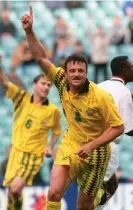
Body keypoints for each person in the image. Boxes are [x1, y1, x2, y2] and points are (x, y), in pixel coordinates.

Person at [21, 6, 124, 210]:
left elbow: (118, 127)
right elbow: (41, 58)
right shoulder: (60, 80)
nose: (76, 74)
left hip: (97, 152)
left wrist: (91, 145)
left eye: (80, 70)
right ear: (65, 73)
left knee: (82, 207)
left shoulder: (100, 97)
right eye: (72, 71)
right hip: (71, 145)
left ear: (86, 72)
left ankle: (102, 194)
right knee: (53, 193)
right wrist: (29, 31)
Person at [0, 55, 61, 210]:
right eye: (43, 84)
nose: (46, 87)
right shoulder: (21, 98)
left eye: (48, 85)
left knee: (14, 189)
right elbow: (6, 83)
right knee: (11, 193)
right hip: (16, 153)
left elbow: (56, 131)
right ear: (34, 85)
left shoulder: (53, 110)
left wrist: (50, 146)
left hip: (33, 156)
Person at [93, 56, 133, 210]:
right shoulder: (124, 92)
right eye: (132, 68)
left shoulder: (99, 86)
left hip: (89, 141)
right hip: (108, 145)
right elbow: (128, 130)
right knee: (98, 189)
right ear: (124, 71)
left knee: (112, 184)